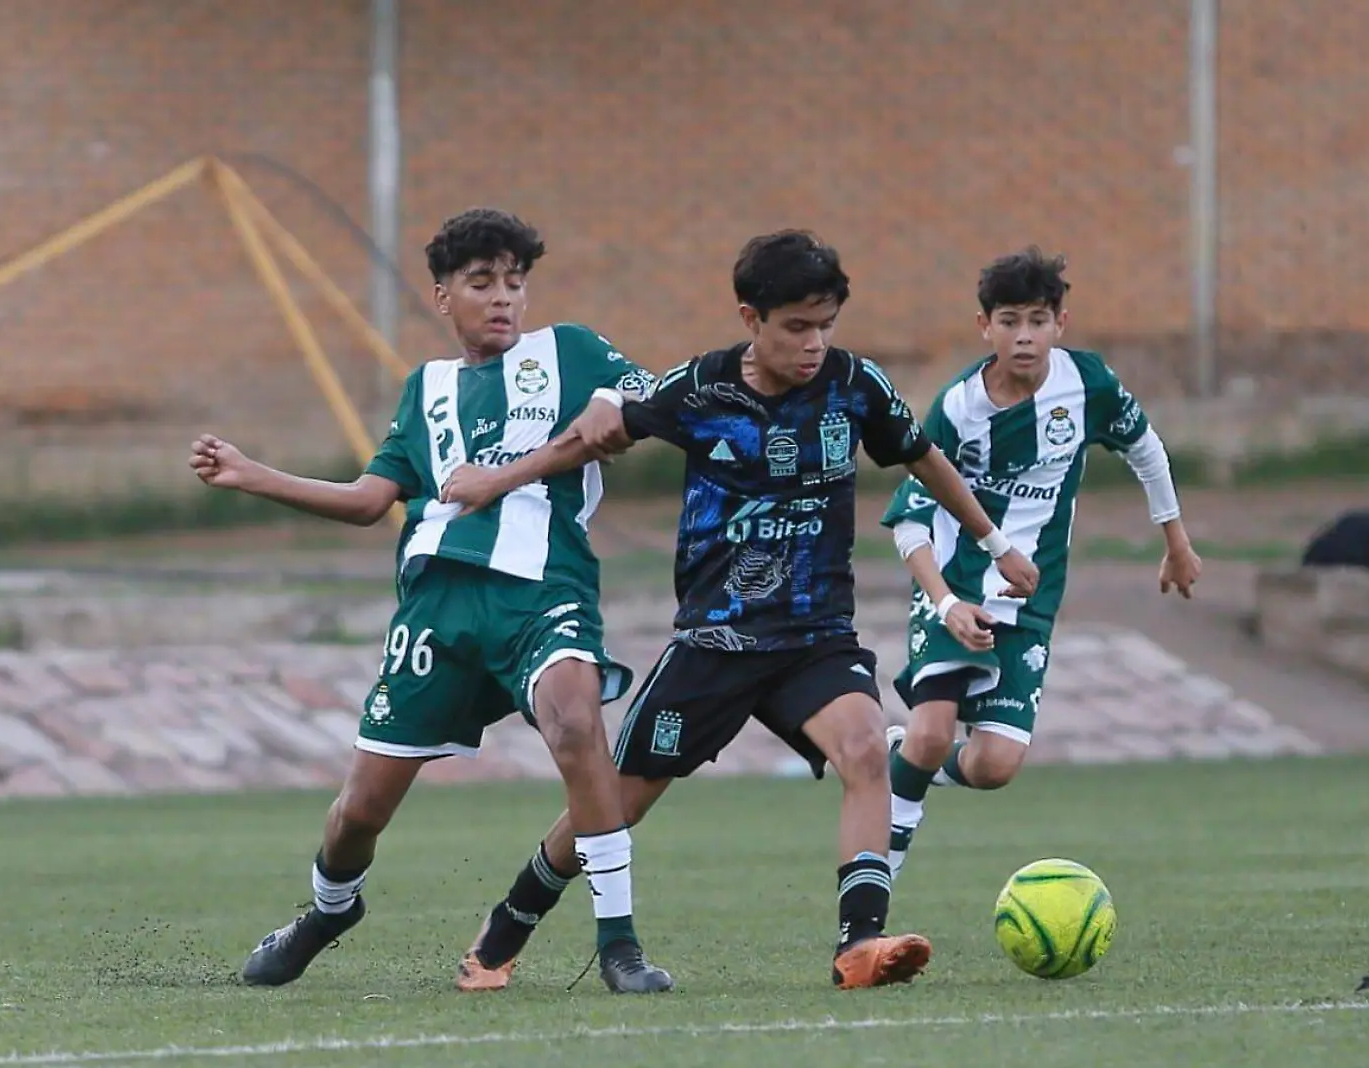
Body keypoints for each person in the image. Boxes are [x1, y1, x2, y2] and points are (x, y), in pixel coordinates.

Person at [436, 230, 1039, 991]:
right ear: (751, 319)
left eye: (825, 325)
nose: (814, 343)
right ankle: (504, 930)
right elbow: (591, 441)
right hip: (713, 644)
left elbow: (924, 459)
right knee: (616, 803)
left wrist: (990, 541)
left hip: (814, 638)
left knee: (863, 748)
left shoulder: (857, 386)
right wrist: (497, 480)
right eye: (795, 327)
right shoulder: (703, 390)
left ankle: (860, 945)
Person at [188, 207, 674, 994]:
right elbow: (367, 497)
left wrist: (620, 410)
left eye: (515, 283)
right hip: (435, 612)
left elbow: (664, 402)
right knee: (358, 812)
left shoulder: (575, 352)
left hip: (544, 592)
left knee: (577, 719)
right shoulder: (427, 389)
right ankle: (328, 910)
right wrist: (254, 475)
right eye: (481, 283)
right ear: (443, 296)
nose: (503, 298)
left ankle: (619, 944)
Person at [879, 247, 1202, 880]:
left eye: (1036, 320)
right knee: (933, 731)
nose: (1023, 336)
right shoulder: (958, 409)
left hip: (1032, 598)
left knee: (995, 766)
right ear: (985, 327)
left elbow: (1146, 449)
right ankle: (874, 885)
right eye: (1008, 321)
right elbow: (910, 520)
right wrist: (945, 601)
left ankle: (907, 753)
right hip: (958, 582)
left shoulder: (1087, 386)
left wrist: (1177, 542)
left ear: (1060, 322)